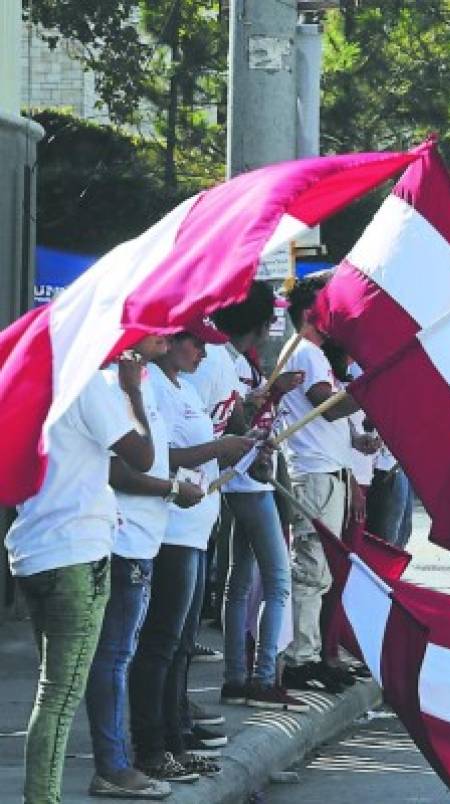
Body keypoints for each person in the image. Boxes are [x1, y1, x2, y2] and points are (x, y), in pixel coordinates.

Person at [6, 341, 159, 804]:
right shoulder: (86, 382)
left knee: (53, 693)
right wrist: (132, 393)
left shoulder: (28, 385)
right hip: (76, 554)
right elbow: (142, 456)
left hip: (33, 551)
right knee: (58, 697)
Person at [85, 335, 207, 800]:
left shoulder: (142, 382)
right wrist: (172, 490)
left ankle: (137, 755)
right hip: (123, 538)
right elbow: (127, 467)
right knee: (115, 658)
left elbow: (149, 454)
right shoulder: (109, 384)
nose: (166, 333)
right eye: (156, 326)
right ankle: (123, 762)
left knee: (132, 652)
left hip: (145, 539)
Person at [129, 331, 254, 782]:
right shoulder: (153, 385)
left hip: (197, 530)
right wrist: (222, 447)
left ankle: (175, 739)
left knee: (179, 646)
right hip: (173, 533)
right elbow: (160, 458)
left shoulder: (184, 387)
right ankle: (152, 746)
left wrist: (242, 448)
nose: (203, 352)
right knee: (161, 644)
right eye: (195, 343)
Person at [189, 282, 310, 712]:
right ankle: (261, 678)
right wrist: (269, 403)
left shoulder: (228, 361)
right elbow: (236, 427)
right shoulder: (228, 362)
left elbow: (238, 422)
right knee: (278, 582)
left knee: (239, 582)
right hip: (247, 483)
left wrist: (266, 401)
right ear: (260, 325)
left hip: (235, 481)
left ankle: (237, 677)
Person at [278, 275, 362, 694]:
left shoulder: (313, 354)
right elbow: (326, 407)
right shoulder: (306, 353)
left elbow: (333, 415)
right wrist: (373, 388)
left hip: (326, 471)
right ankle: (300, 658)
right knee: (311, 569)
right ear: (311, 311)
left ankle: (309, 654)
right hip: (313, 472)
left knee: (320, 571)